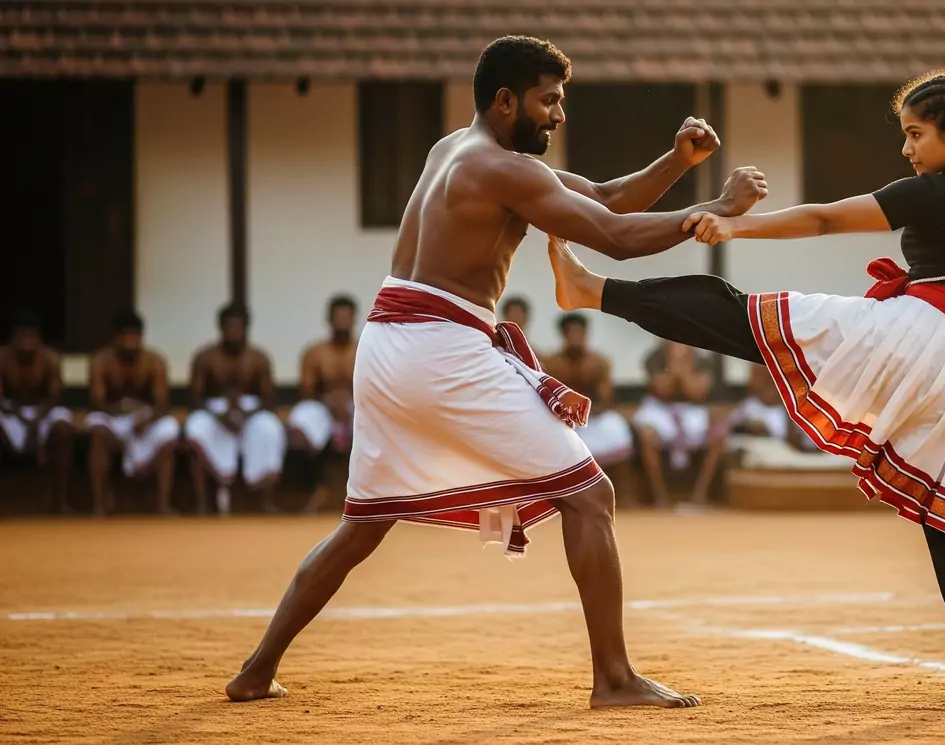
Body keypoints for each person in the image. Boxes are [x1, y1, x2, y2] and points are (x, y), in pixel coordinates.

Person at [549, 69, 945, 701]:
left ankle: (592, 290)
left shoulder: (933, 191)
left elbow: (826, 220)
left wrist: (739, 225)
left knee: (743, 318)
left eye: (915, 135)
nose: (907, 149)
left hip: (913, 339)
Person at [224, 35, 765, 707]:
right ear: (506, 101)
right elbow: (614, 238)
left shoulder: (454, 149)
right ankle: (616, 679)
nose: (559, 115)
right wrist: (716, 213)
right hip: (443, 349)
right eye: (550, 101)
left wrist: (678, 163)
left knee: (363, 523)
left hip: (389, 345)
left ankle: (255, 669)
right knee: (590, 495)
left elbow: (600, 196)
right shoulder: (506, 171)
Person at [184, 303, 287, 515]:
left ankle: (265, 501)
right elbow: (194, 398)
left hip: (250, 411)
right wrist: (219, 416)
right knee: (195, 428)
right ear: (220, 328)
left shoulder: (258, 358)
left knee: (271, 428)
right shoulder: (205, 357)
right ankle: (202, 503)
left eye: (238, 328)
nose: (234, 332)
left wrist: (246, 415)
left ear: (246, 329)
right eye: (229, 327)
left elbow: (269, 399)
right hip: (213, 411)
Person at [85, 311, 181, 515]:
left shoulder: (154, 361)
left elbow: (163, 403)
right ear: (115, 337)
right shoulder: (101, 361)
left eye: (135, 337)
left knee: (170, 429)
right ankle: (99, 505)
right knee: (96, 429)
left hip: (145, 418)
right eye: (126, 337)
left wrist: (146, 418)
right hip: (112, 417)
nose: (130, 342)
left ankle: (163, 504)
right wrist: (119, 410)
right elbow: (96, 402)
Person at [540, 313, 635, 482]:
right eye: (572, 332)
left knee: (618, 429)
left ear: (586, 334)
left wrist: (588, 411)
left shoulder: (599, 362)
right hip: (564, 420)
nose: (576, 337)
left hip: (595, 418)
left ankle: (626, 494)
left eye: (580, 332)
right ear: (564, 335)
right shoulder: (552, 364)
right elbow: (547, 398)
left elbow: (607, 399)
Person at [288, 295, 359, 513]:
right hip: (322, 406)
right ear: (329, 320)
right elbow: (306, 391)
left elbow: (376, 385)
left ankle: (365, 494)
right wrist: (330, 403)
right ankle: (314, 488)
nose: (342, 322)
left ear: (354, 319)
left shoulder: (365, 347)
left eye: (347, 317)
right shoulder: (315, 352)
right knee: (301, 420)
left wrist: (349, 402)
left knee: (380, 421)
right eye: (338, 317)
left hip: (358, 404)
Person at [0, 310, 75, 511]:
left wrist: (37, 420)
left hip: (44, 411)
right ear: (11, 339)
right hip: (9, 413)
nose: (27, 343)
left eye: (32, 337)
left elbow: (55, 397)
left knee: (64, 428)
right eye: (22, 337)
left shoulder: (50, 358)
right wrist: (23, 421)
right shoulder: (2, 359)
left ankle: (61, 501)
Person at [632, 341, 715, 506]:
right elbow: (662, 390)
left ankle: (700, 495)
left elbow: (697, 392)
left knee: (719, 434)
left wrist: (682, 370)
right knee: (647, 435)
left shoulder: (701, 357)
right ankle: (660, 495)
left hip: (692, 411)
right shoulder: (655, 355)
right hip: (659, 410)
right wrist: (674, 366)